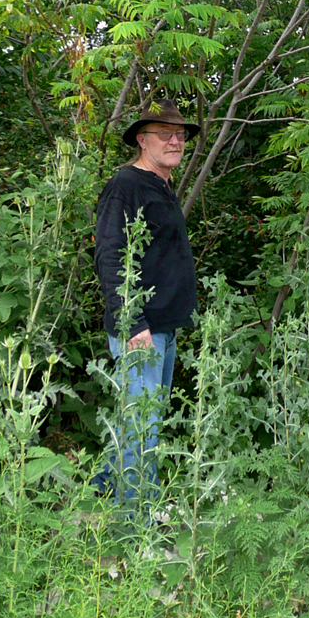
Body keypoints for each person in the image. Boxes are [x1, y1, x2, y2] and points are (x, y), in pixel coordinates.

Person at [92, 97, 200, 510]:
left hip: (162, 327)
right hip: (140, 329)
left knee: (137, 421)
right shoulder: (126, 186)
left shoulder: (160, 185)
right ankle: (137, 524)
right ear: (142, 139)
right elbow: (110, 255)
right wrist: (132, 321)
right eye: (165, 134)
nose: (175, 141)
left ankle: (99, 495)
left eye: (180, 135)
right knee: (143, 427)